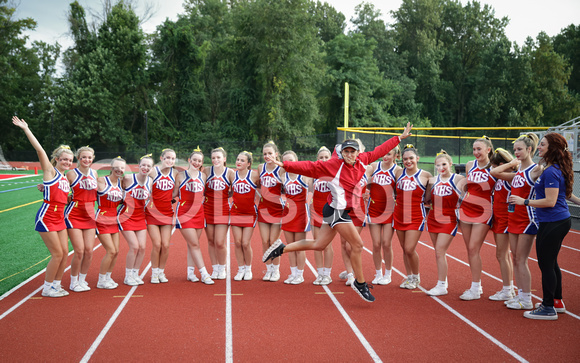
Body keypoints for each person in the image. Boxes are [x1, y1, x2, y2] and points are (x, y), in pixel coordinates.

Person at [263, 123, 413, 302]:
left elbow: (379, 151)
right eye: (346, 151)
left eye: (352, 151)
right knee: (357, 245)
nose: (350, 154)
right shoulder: (334, 165)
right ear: (341, 153)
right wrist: (285, 164)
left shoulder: (363, 160)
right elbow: (309, 167)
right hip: (336, 211)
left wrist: (399, 138)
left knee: (319, 244)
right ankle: (360, 282)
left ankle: (281, 248)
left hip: (338, 210)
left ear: (358, 153)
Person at [513, 133, 574, 320]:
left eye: (543, 145)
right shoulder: (552, 168)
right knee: (552, 263)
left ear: (552, 148)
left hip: (553, 221)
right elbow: (564, 194)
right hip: (555, 220)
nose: (539, 147)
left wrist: (524, 201)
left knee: (546, 264)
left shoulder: (551, 171)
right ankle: (556, 301)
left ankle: (548, 307)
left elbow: (550, 200)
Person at [13, 116, 73, 297]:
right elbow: (39, 150)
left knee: (64, 254)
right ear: (56, 159)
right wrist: (26, 129)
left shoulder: (65, 178)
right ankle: (47, 288)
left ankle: (56, 285)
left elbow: (61, 196)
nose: (67, 163)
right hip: (47, 216)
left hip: (59, 217)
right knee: (57, 254)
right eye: (64, 159)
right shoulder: (50, 171)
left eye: (70, 161)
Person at [491, 133, 541, 310]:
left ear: (529, 149)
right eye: (515, 150)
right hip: (513, 218)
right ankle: (520, 294)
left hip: (527, 219)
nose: (516, 152)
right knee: (515, 257)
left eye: (519, 149)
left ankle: (527, 298)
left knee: (522, 259)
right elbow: (494, 172)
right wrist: (513, 163)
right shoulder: (518, 172)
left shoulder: (536, 170)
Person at [458, 136, 497, 300]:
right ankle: (477, 286)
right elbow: (467, 186)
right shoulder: (469, 165)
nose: (476, 152)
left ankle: (475, 287)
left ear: (488, 150)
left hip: (484, 211)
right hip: (466, 209)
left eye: (479, 149)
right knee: (470, 250)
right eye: (474, 149)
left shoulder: (495, 167)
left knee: (474, 248)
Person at [394, 144, 432, 290]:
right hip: (399, 214)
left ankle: (416, 277)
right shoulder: (398, 173)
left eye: (411, 158)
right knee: (404, 249)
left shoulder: (426, 175)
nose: (408, 161)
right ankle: (409, 276)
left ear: (417, 158)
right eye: (405, 159)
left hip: (416, 215)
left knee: (410, 248)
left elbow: (428, 197)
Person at [425, 150, 463, 296]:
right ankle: (443, 281)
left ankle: (441, 286)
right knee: (438, 252)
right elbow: (427, 199)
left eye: (444, 164)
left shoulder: (458, 179)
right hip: (433, 218)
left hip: (449, 219)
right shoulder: (433, 180)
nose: (441, 167)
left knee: (440, 251)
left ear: (450, 164)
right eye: (438, 165)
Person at [174, 148, 214, 284]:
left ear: (202, 163)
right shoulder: (180, 175)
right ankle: (204, 273)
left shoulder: (203, 176)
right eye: (194, 160)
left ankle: (190, 273)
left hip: (199, 213)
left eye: (199, 161)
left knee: (192, 245)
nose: (196, 162)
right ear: (189, 160)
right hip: (184, 213)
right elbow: (173, 194)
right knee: (195, 244)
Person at [64, 146, 98, 292]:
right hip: (74, 215)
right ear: (78, 158)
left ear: (93, 159)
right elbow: (59, 189)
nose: (87, 160)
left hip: (90, 215)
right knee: (79, 251)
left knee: (89, 251)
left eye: (89, 157)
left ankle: (82, 280)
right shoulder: (71, 174)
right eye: (84, 157)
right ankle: (73, 282)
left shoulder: (95, 173)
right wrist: (43, 186)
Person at [367, 145, 401, 286]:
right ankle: (378, 272)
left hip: (389, 210)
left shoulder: (397, 170)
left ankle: (388, 274)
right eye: (384, 154)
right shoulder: (375, 166)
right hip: (374, 209)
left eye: (389, 154)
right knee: (376, 244)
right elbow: (363, 176)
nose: (385, 156)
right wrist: (366, 187)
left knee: (386, 244)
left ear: (395, 156)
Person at [119, 154, 152, 286]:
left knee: (142, 248)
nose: (145, 167)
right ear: (138, 166)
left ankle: (135, 273)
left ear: (152, 168)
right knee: (134, 246)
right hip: (126, 217)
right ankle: (128, 276)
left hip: (140, 217)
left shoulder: (150, 181)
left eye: (148, 166)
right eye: (143, 165)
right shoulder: (128, 178)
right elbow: (116, 188)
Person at [487, 148, 516, 301]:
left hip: (506, 219)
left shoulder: (510, 177)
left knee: (502, 255)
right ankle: (509, 288)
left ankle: (507, 289)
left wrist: (510, 163)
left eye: (493, 165)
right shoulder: (501, 178)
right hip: (499, 218)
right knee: (504, 255)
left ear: (501, 165)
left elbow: (495, 172)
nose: (491, 169)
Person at [281, 150, 311, 285]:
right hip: (287, 213)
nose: (289, 163)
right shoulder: (283, 175)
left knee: (299, 247)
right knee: (290, 246)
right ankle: (292, 273)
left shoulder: (304, 176)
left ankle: (300, 274)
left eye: (291, 160)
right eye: (286, 161)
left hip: (300, 214)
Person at [146, 149, 176, 283]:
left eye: (173, 158)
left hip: (167, 213)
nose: (170, 160)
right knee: (157, 244)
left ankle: (161, 272)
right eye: (167, 158)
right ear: (161, 158)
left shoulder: (175, 173)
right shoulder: (153, 171)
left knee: (165, 245)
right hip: (152, 213)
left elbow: (176, 192)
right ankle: (154, 273)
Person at [95, 157, 125, 289]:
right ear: (111, 168)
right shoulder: (101, 180)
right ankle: (101, 280)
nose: (119, 170)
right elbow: (82, 187)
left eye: (122, 168)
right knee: (111, 251)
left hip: (114, 219)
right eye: (117, 167)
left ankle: (108, 277)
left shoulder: (121, 183)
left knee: (116, 251)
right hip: (102, 218)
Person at [204, 147, 233, 279]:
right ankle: (215, 268)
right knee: (211, 241)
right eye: (213, 157)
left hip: (223, 210)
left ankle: (222, 268)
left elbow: (235, 189)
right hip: (208, 209)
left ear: (224, 159)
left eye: (218, 157)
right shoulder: (206, 171)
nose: (216, 160)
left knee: (220, 242)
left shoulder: (230, 173)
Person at [229, 151, 259, 281]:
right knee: (237, 242)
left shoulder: (253, 175)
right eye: (238, 159)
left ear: (248, 163)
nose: (239, 162)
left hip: (249, 213)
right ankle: (240, 269)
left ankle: (248, 269)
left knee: (245, 243)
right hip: (235, 212)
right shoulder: (232, 175)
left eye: (242, 160)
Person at [257, 141, 285, 282]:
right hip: (263, 208)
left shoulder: (280, 169)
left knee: (274, 242)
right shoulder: (261, 167)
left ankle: (276, 270)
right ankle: (268, 270)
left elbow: (288, 187)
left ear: (276, 154)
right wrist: (260, 196)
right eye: (265, 154)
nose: (267, 156)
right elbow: (256, 184)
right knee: (265, 241)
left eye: (270, 153)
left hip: (277, 209)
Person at [309, 147, 334, 285]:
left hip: (329, 212)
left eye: (326, 157)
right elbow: (310, 192)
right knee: (317, 244)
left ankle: (327, 274)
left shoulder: (334, 172)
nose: (324, 160)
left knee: (327, 244)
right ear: (317, 159)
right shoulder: (314, 173)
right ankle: (319, 273)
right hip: (316, 211)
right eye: (321, 157)